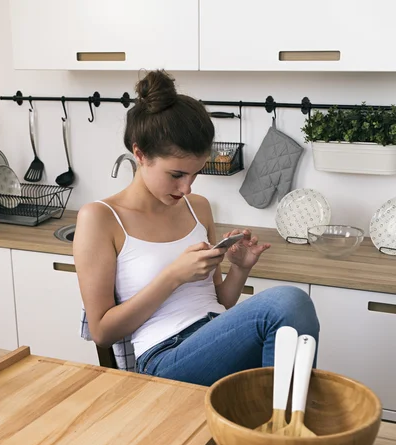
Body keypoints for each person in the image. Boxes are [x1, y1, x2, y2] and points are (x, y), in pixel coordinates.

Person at [74, 69, 319, 386]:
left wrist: (240, 269)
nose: (187, 188)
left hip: (213, 334)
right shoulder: (100, 218)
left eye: (196, 173)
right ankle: (284, 428)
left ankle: (283, 426)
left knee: (291, 327)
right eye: (176, 174)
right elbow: (102, 331)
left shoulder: (197, 207)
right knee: (286, 303)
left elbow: (220, 303)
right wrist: (173, 276)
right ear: (140, 154)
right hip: (163, 357)